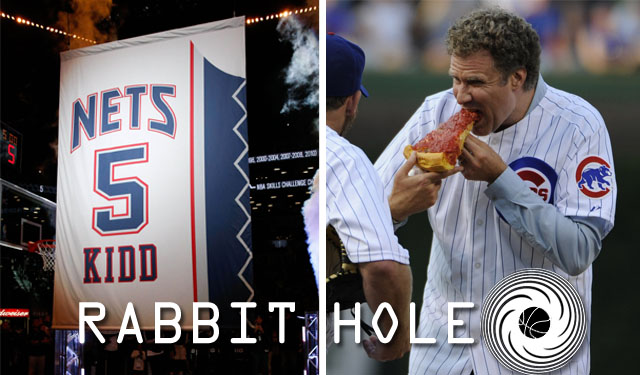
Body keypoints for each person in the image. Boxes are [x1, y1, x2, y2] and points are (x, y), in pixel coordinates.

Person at [374, 8, 617, 375]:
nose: (460, 96)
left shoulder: (579, 124)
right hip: (445, 351)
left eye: (474, 82)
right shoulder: (434, 111)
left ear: (517, 77)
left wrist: (502, 180)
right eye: (455, 78)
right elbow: (362, 210)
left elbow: (579, 250)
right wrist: (392, 210)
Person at [326, 32, 455, 361]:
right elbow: (384, 267)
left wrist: (389, 214)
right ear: (353, 100)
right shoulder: (343, 157)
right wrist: (394, 341)